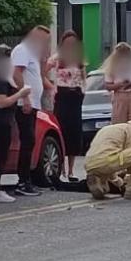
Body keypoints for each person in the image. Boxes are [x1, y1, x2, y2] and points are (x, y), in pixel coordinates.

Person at [0, 45, 31, 203]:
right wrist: (20, 94)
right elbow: (1, 102)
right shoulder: (0, 78)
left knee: (1, 154)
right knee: (0, 155)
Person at [11, 25, 51, 196]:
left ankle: (27, 179)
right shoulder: (22, 50)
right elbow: (16, 73)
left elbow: (38, 75)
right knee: (27, 141)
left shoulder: (32, 53)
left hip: (33, 103)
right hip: (24, 103)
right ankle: (22, 181)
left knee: (30, 142)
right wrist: (25, 97)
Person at [46, 30, 86, 181]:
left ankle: (71, 170)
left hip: (75, 95)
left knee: (74, 132)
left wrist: (83, 90)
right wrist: (51, 87)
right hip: (62, 95)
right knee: (61, 130)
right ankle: (60, 168)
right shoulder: (56, 58)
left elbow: (83, 76)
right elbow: (43, 72)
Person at [84, 120, 131, 200]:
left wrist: (118, 182)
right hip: (107, 160)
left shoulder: (108, 129)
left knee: (106, 185)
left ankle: (99, 183)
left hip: (90, 164)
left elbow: (110, 154)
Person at [104, 42, 131, 124]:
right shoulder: (112, 64)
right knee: (119, 124)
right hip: (119, 96)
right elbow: (108, 86)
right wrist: (120, 84)